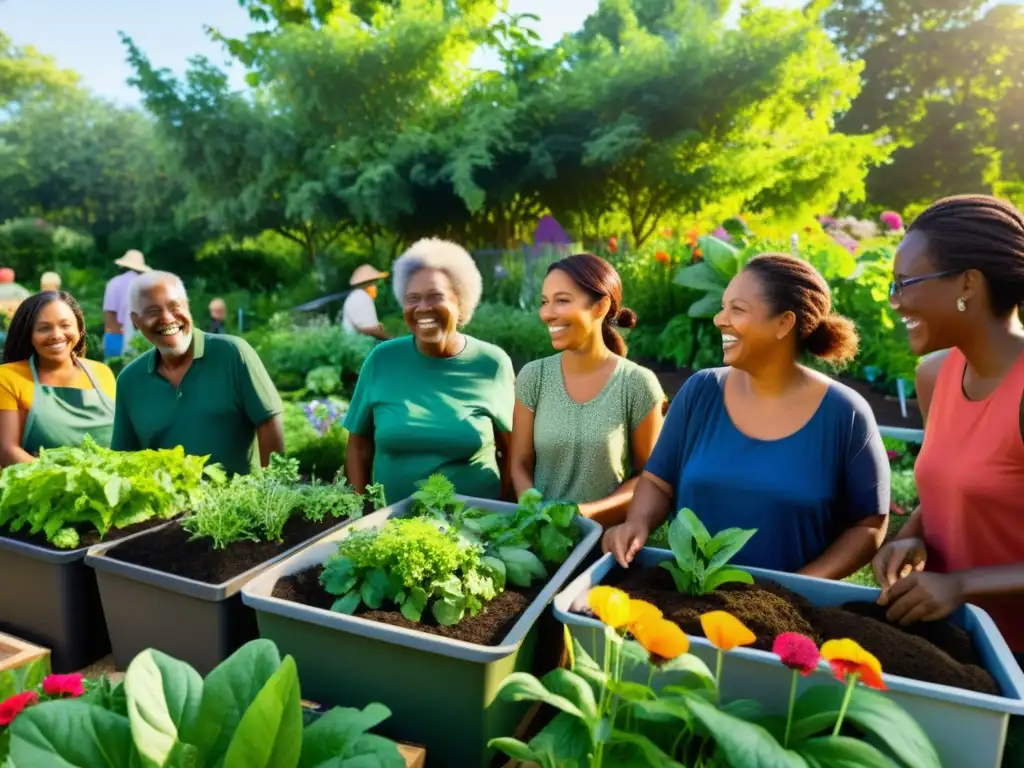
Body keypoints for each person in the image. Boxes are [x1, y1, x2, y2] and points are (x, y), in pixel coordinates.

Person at [604, 253, 890, 577]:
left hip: (790, 617)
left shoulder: (844, 413)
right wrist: (636, 524)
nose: (719, 320)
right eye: (723, 307)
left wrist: (799, 589)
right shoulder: (701, 391)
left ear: (784, 323)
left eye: (736, 310)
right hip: (689, 602)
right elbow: (658, 482)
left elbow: (869, 524)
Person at [872, 195, 1024, 657]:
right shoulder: (935, 375)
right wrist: (912, 532)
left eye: (905, 284)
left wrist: (960, 584)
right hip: (949, 643)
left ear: (967, 284)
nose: (896, 302)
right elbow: (952, 487)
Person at [344, 238, 514, 503]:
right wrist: (358, 511)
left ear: (460, 302)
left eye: (436, 296)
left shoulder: (491, 363)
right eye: (413, 298)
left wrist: (503, 510)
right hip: (392, 529)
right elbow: (358, 446)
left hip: (478, 526)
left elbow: (514, 450)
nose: (423, 308)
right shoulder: (382, 360)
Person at [511, 253, 665, 526]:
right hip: (540, 538)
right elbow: (519, 463)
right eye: (545, 302)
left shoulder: (637, 384)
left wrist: (585, 515)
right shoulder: (534, 376)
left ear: (600, 307)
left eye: (562, 301)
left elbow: (650, 478)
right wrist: (533, 511)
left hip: (607, 545)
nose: (547, 314)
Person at [111, 271, 284, 475]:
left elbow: (269, 422)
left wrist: (272, 491)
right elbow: (124, 458)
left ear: (187, 307)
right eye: (153, 311)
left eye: (175, 307)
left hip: (239, 502)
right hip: (169, 506)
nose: (167, 318)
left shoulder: (232, 354)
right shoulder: (130, 381)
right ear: (135, 321)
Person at [0, 291, 116, 466]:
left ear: (80, 328)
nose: (56, 334)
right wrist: (70, 481)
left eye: (65, 325)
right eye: (44, 328)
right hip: (39, 487)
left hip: (106, 488)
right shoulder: (7, 377)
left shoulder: (102, 372)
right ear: (29, 334)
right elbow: (7, 451)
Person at [103, 249, 150, 359]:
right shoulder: (145, 285)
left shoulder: (113, 283)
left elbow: (109, 314)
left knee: (112, 373)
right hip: (137, 338)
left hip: (114, 335)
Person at [341, 264, 391, 341]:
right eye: (375, 282)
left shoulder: (357, 296)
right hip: (360, 347)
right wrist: (392, 340)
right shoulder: (361, 297)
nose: (376, 285)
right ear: (368, 283)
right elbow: (368, 329)